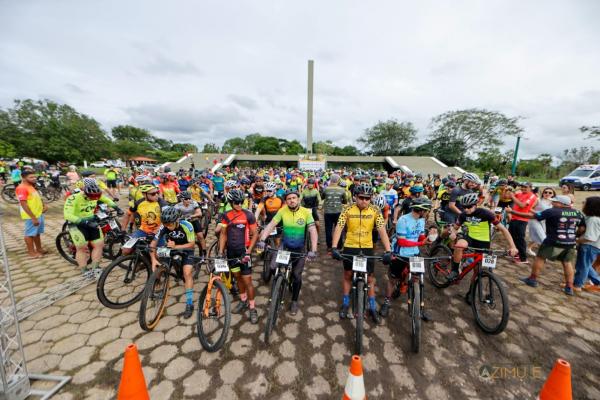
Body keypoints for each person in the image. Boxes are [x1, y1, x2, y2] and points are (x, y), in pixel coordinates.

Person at [331, 183, 392, 324]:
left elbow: (382, 230)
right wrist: (334, 247)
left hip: (367, 247)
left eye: (367, 198)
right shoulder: (347, 209)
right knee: (347, 275)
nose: (364, 201)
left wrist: (388, 250)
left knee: (370, 279)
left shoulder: (375, 210)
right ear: (355, 197)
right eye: (361, 197)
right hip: (350, 246)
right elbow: (339, 227)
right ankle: (346, 303)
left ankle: (372, 306)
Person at [257, 189, 318, 316]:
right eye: (289, 199)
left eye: (294, 198)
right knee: (273, 267)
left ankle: (294, 301)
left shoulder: (306, 212)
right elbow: (271, 225)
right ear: (286, 201)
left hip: (299, 249)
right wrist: (262, 239)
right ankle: (276, 290)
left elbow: (312, 230)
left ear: (298, 199)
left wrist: (313, 250)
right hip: (285, 247)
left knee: (296, 276)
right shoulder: (282, 211)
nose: (291, 200)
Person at [510, 195, 585, 296]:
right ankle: (569, 287)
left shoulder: (552, 211)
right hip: (570, 243)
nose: (552, 203)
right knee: (567, 263)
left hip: (552, 241)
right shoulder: (578, 213)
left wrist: (512, 212)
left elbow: (531, 217)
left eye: (555, 202)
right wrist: (575, 236)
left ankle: (532, 279)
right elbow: (582, 228)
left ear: (561, 204)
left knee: (540, 258)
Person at [447, 193, 518, 282]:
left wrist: (513, 247)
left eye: (469, 207)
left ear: (475, 205)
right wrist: (453, 233)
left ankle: (471, 290)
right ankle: (455, 270)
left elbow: (503, 229)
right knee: (459, 245)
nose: (466, 209)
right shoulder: (463, 215)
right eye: (464, 207)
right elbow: (455, 228)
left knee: (477, 271)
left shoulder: (485, 213)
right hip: (470, 238)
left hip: (483, 242)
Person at [380, 197, 432, 319]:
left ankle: (419, 307)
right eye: (427, 210)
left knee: (417, 280)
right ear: (421, 210)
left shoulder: (422, 220)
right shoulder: (403, 220)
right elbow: (402, 242)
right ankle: (387, 302)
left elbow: (420, 236)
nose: (428, 212)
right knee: (393, 280)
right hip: (400, 254)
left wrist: (427, 238)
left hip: (414, 253)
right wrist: (421, 243)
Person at [64, 179, 123, 273]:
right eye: (92, 198)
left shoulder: (96, 195)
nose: (95, 199)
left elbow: (107, 200)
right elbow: (67, 215)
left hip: (92, 221)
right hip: (77, 224)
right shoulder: (73, 198)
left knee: (99, 245)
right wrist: (85, 222)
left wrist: (117, 208)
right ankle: (84, 270)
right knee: (82, 248)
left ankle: (95, 268)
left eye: (96, 198)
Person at [219, 189, 260, 323]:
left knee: (247, 281)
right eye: (236, 202)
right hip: (231, 252)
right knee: (237, 278)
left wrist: (249, 251)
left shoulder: (249, 215)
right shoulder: (226, 215)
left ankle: (252, 307)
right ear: (231, 202)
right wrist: (220, 252)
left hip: (244, 252)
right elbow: (223, 234)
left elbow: (255, 234)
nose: (239, 204)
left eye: (241, 202)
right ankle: (243, 301)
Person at [150, 206, 197, 318]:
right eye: (165, 224)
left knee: (187, 273)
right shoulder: (164, 226)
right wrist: (153, 260)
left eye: (170, 224)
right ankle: (159, 285)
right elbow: (152, 245)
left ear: (176, 221)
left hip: (186, 249)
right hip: (171, 248)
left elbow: (192, 244)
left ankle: (190, 303)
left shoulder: (187, 225)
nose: (167, 226)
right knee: (159, 261)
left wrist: (177, 246)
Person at [123, 184, 168, 255]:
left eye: (157, 192)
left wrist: (155, 232)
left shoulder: (162, 203)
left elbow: (167, 221)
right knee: (125, 251)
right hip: (142, 231)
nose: (156, 195)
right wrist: (123, 230)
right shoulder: (138, 203)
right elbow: (127, 214)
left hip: (159, 232)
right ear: (144, 194)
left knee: (161, 256)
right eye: (153, 194)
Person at [16, 170, 48, 258]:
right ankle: (31, 252)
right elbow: (23, 203)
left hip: (38, 213)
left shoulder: (31, 185)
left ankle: (39, 249)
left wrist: (44, 205)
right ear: (23, 178)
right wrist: (33, 217)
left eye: (34, 177)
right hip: (31, 215)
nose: (34, 178)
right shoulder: (22, 188)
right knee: (30, 234)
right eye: (31, 177)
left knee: (37, 233)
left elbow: (37, 197)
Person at [574, 196, 600, 291]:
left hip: (590, 246)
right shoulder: (591, 217)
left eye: (584, 202)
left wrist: (575, 240)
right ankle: (598, 281)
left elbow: (590, 238)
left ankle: (577, 285)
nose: (582, 204)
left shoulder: (593, 219)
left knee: (583, 266)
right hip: (591, 246)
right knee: (586, 265)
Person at [508, 182, 538, 264]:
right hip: (514, 217)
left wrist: (513, 196)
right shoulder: (520, 193)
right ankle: (516, 254)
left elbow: (522, 205)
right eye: (522, 187)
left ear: (530, 188)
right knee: (512, 237)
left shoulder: (532, 195)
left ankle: (523, 258)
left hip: (522, 219)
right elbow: (507, 197)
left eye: (525, 187)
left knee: (520, 239)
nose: (523, 188)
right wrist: (511, 190)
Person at [175, 191, 207, 256]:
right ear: (182, 199)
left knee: (200, 236)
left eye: (189, 198)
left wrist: (191, 216)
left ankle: (204, 252)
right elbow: (174, 216)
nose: (188, 200)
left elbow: (199, 213)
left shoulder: (193, 203)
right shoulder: (177, 206)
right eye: (186, 199)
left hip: (193, 220)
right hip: (184, 223)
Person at [527, 187, 555, 256]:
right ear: (543, 193)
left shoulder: (554, 202)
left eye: (550, 192)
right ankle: (543, 255)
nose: (547, 194)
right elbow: (529, 208)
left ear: (553, 194)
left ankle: (528, 248)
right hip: (534, 220)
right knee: (542, 237)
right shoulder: (538, 200)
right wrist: (539, 214)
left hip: (545, 221)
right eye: (545, 192)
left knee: (535, 236)